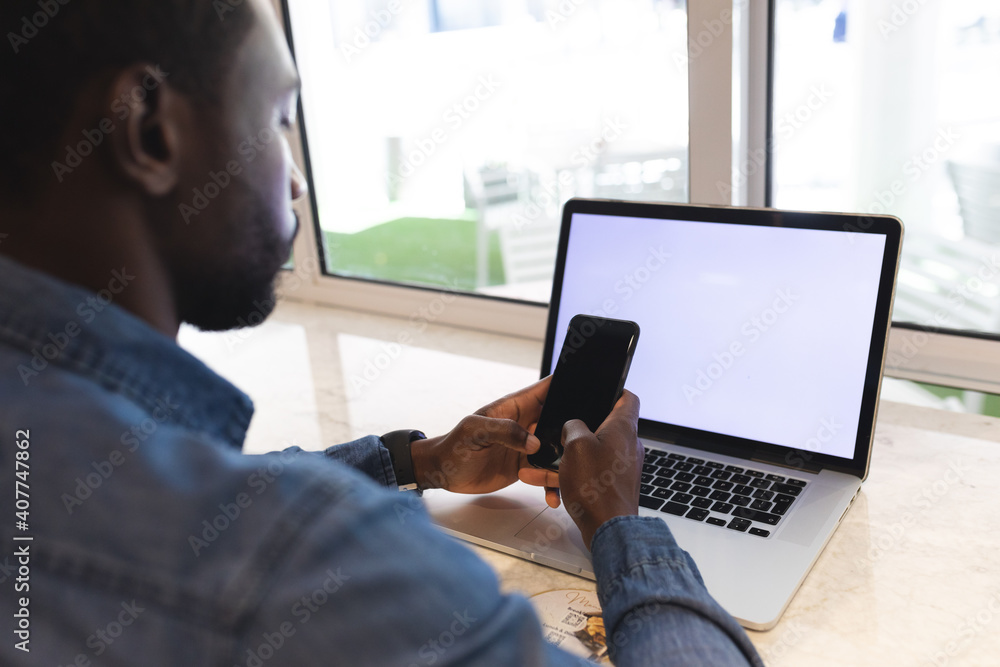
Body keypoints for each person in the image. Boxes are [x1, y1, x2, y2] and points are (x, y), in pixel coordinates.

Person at [0, 1, 763, 665]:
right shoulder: (316, 563)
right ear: (151, 129)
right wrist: (621, 525)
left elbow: (173, 502)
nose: (296, 179)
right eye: (276, 120)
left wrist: (420, 459)